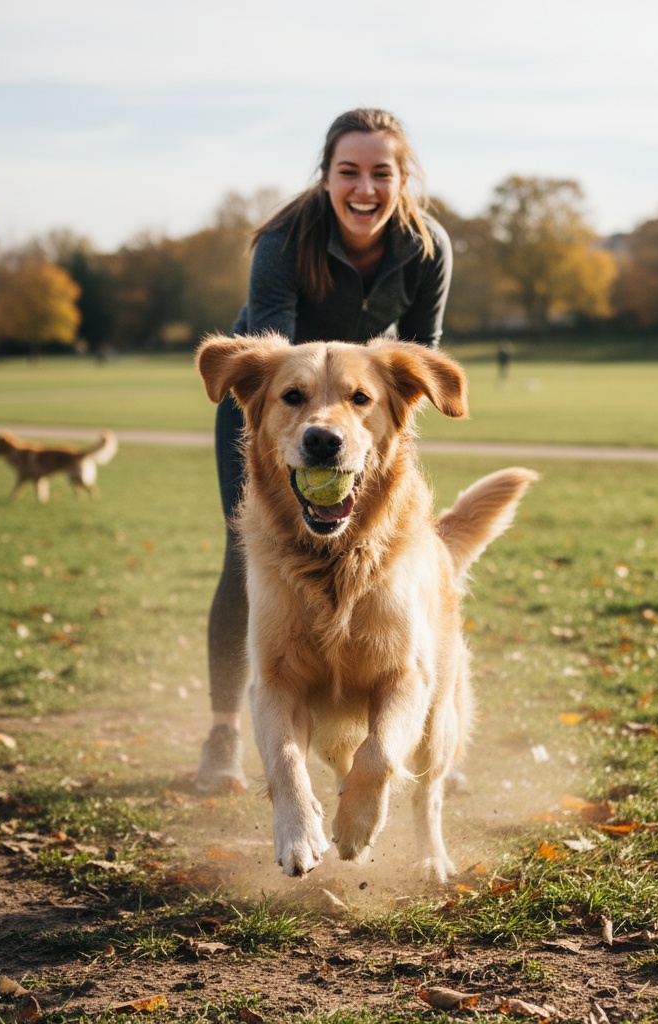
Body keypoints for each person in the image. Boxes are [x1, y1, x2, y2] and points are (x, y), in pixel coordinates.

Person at [196, 107, 453, 792]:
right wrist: (308, 419)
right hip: (280, 409)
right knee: (252, 557)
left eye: (381, 172)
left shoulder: (428, 248)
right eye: (349, 171)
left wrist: (367, 421)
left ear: (404, 179)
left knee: (398, 555)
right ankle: (225, 732)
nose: (364, 187)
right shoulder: (285, 240)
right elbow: (274, 359)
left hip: (363, 414)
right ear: (326, 176)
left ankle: (413, 734)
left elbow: (419, 349)